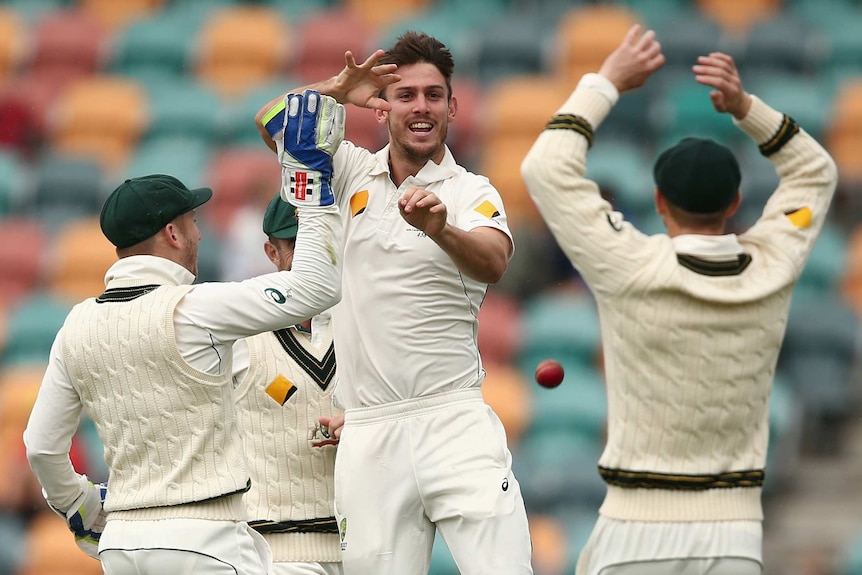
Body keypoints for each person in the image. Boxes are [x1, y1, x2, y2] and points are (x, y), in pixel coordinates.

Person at [520, 25, 838, 575]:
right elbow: (816, 174)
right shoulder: (774, 263)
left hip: (634, 537)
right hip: (734, 540)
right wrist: (745, 108)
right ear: (737, 201)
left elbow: (544, 166)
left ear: (659, 201)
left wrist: (608, 82)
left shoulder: (628, 264)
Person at [23, 90, 347, 574]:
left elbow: (41, 448)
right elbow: (316, 287)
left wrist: (84, 507)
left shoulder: (76, 323)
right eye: (192, 222)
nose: (199, 235)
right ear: (172, 234)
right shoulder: (198, 308)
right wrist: (308, 173)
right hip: (205, 539)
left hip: (122, 547)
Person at [255, 33, 533, 575]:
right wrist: (336, 90)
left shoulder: (469, 190)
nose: (421, 107)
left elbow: (494, 262)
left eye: (434, 95)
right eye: (406, 95)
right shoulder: (350, 171)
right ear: (384, 109)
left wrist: (440, 229)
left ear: (452, 107)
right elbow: (272, 124)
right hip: (369, 432)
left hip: (453, 418)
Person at [232, 192, 343, 575]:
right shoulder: (238, 332)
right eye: (296, 244)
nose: (309, 256)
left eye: (318, 241)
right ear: (271, 252)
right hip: (276, 554)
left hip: (373, 544)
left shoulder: (370, 323)